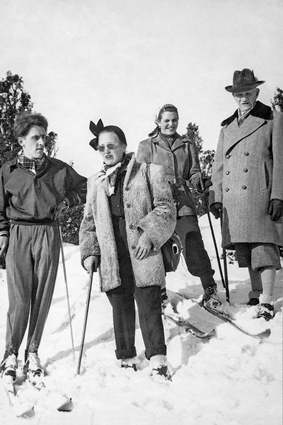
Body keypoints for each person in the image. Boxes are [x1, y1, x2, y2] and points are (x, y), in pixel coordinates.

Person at [79, 120, 176, 380]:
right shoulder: (95, 182)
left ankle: (157, 359)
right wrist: (90, 253)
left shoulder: (148, 171)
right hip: (113, 251)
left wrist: (150, 234)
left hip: (143, 249)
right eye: (101, 148)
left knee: (148, 302)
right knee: (120, 303)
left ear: (123, 145)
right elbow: (89, 223)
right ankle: (126, 357)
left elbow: (166, 208)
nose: (107, 151)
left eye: (112, 145)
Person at [0, 112, 87, 383]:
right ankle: (10, 354)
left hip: (49, 232)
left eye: (43, 137)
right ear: (21, 141)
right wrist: (2, 233)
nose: (41, 142)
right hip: (18, 233)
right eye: (35, 138)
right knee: (20, 298)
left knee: (42, 297)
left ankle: (33, 352)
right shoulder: (7, 170)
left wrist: (68, 202)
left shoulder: (59, 169)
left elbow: (85, 187)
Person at [209, 68, 283, 320]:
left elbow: (281, 160)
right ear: (233, 96)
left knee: (263, 245)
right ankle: (255, 291)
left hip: (261, 193)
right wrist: (216, 196)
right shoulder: (226, 127)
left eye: (248, 93)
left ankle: (267, 299)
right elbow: (218, 165)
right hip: (234, 199)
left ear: (257, 92)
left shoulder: (272, 118)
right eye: (239, 94)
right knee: (246, 246)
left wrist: (278, 195)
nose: (244, 98)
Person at [136, 104, 221, 309]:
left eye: (174, 120)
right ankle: (161, 292)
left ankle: (209, 288)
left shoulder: (186, 143)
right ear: (158, 122)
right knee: (159, 249)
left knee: (193, 245)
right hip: (158, 206)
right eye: (166, 120)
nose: (171, 124)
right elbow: (139, 177)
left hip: (183, 204)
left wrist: (198, 179)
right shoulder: (147, 146)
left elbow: (193, 171)